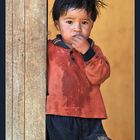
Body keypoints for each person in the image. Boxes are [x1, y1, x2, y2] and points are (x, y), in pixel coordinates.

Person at [46, 0, 111, 139]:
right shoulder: (49, 49)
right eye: (69, 22)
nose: (77, 28)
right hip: (58, 115)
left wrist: (87, 52)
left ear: (92, 25)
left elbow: (100, 76)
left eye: (84, 22)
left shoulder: (94, 50)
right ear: (58, 25)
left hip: (90, 115)